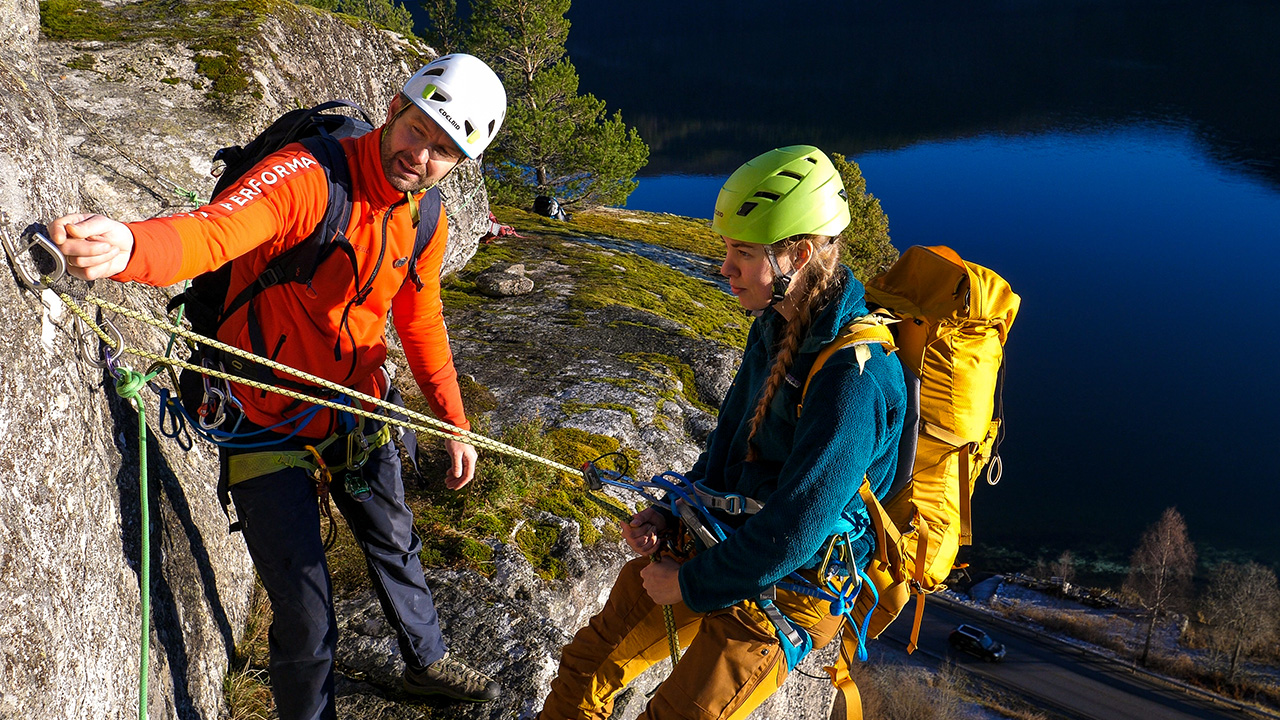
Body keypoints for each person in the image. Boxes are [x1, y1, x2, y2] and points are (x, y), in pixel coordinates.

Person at [49, 54, 506, 719]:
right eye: (419, 128)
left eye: (443, 150)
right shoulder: (311, 179)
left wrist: (452, 421)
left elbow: (420, 315)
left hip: (356, 404)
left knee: (394, 539)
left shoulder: (426, 214)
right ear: (394, 108)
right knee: (308, 618)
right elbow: (214, 235)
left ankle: (426, 660)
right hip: (259, 416)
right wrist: (128, 246)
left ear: (456, 165)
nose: (421, 154)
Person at [536, 146, 908, 720]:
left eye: (741, 252)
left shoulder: (853, 379)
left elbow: (796, 528)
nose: (724, 267)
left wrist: (693, 586)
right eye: (726, 251)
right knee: (587, 664)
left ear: (799, 255)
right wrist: (667, 512)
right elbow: (729, 447)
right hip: (723, 539)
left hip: (793, 584)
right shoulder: (775, 325)